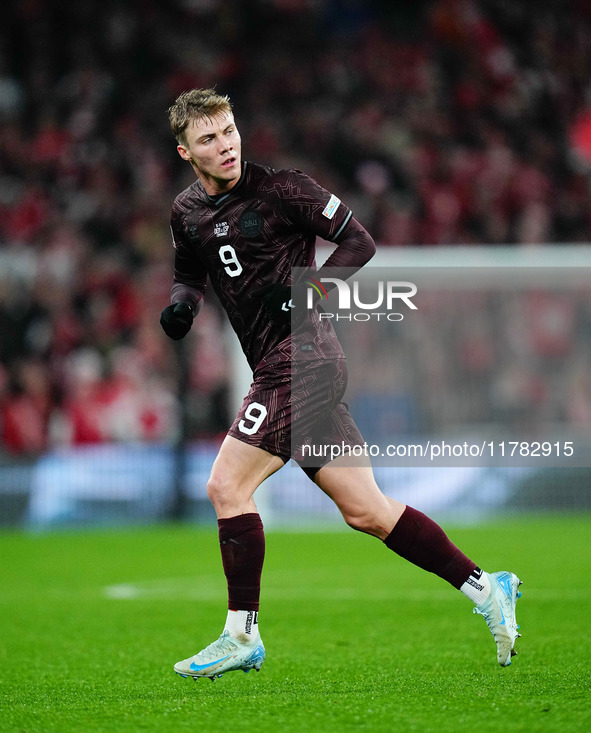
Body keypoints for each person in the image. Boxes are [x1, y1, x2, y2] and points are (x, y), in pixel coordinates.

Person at [160, 88, 522, 680]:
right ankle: (488, 588)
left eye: (229, 131)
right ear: (185, 151)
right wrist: (181, 305)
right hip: (281, 364)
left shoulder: (283, 189)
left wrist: (308, 292)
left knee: (226, 486)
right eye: (208, 139)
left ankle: (239, 634)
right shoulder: (186, 212)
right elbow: (187, 273)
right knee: (367, 511)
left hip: (303, 356)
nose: (224, 146)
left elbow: (360, 243)